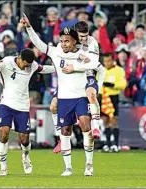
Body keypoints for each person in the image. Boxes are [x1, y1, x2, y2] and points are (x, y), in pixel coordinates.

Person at [21, 13, 100, 176]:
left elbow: (95, 64)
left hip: (80, 96)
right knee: (65, 132)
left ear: (74, 41)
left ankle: (89, 164)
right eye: (62, 40)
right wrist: (28, 27)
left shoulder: (83, 54)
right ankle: (68, 167)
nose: (63, 44)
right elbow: (38, 44)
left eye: (67, 41)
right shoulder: (56, 52)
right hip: (64, 98)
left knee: (86, 127)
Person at [0, 48, 55, 175]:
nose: (28, 67)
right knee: (3, 133)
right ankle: (3, 167)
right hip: (7, 104)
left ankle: (25, 156)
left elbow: (44, 69)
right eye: (26, 64)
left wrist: (58, 67)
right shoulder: (7, 62)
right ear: (20, 58)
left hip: (23, 107)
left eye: (30, 65)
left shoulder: (32, 65)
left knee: (24, 139)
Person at [51, 21, 105, 154]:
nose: (84, 39)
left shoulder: (92, 43)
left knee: (91, 95)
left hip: (87, 76)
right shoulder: (67, 43)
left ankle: (96, 127)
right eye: (81, 36)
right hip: (69, 79)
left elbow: (94, 65)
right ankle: (60, 137)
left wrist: (100, 86)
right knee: (53, 106)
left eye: (86, 35)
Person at [100, 53, 127, 152]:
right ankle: (107, 144)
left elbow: (123, 84)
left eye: (108, 61)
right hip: (103, 97)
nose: (106, 63)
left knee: (114, 120)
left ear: (112, 61)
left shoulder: (119, 70)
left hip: (113, 96)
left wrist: (113, 85)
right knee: (105, 120)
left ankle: (115, 144)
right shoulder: (101, 70)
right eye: (105, 61)